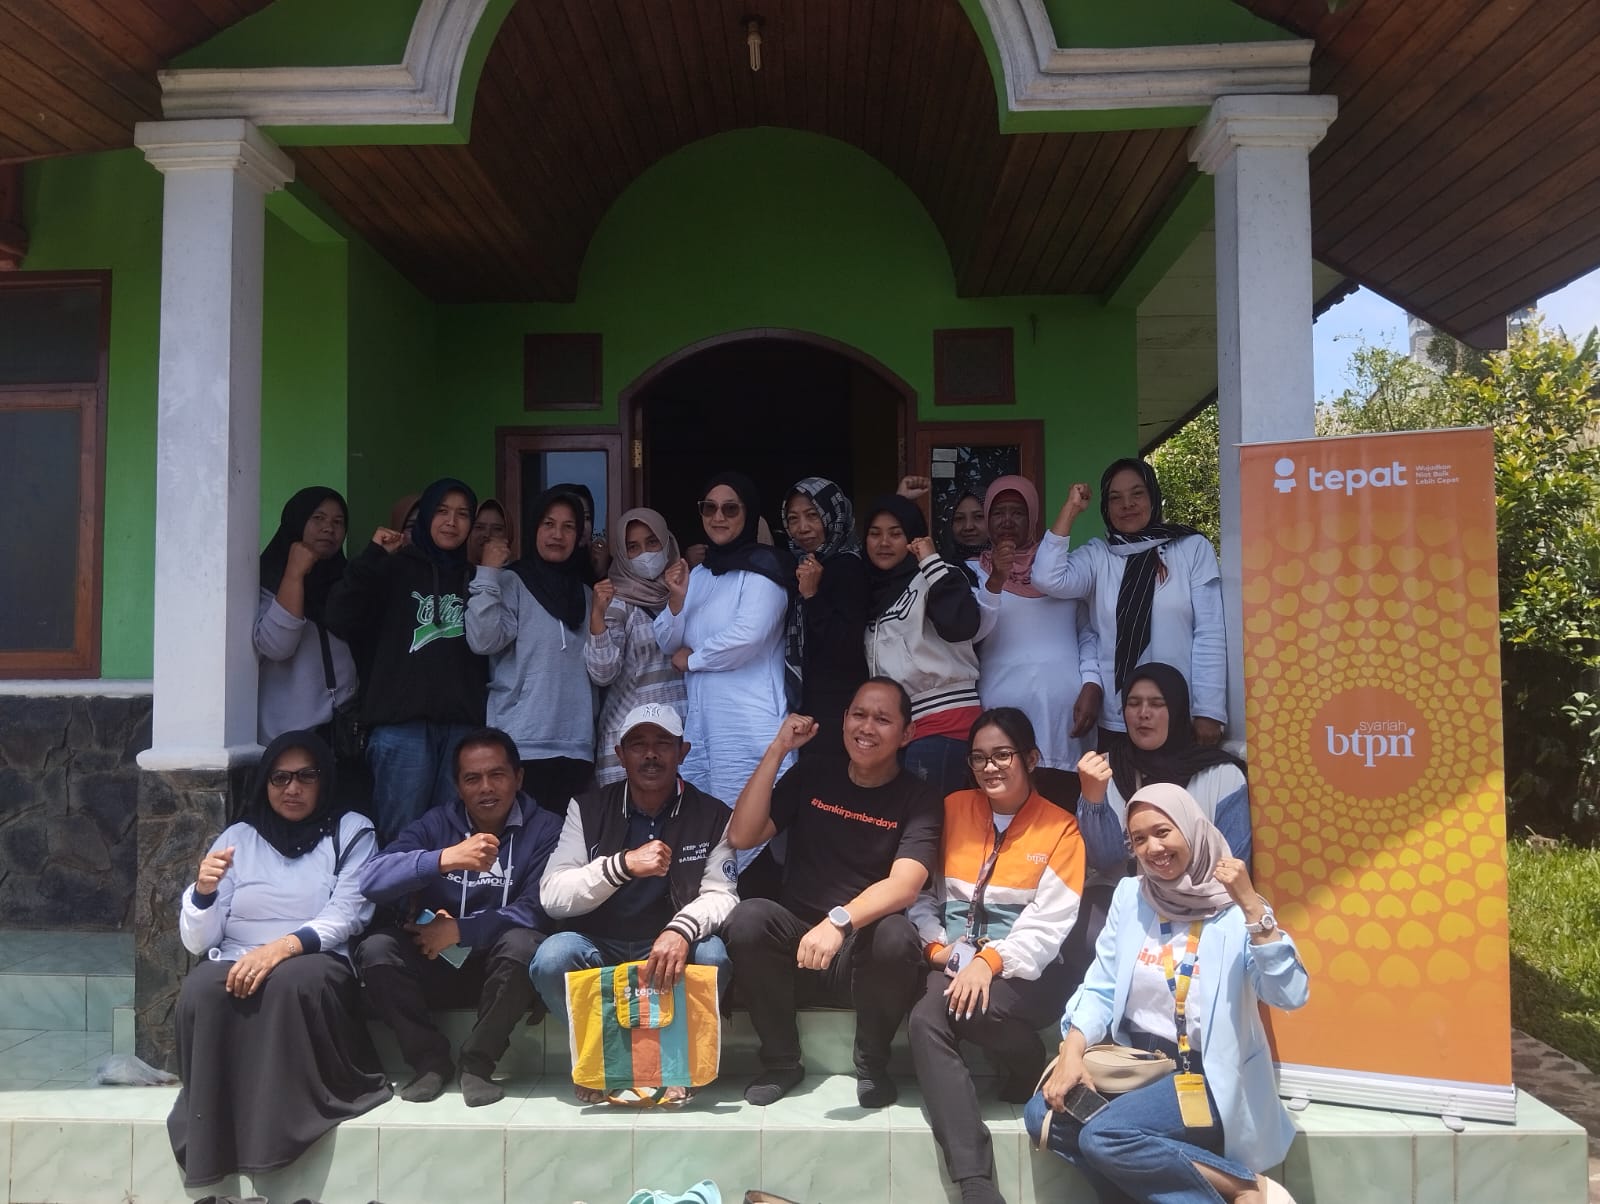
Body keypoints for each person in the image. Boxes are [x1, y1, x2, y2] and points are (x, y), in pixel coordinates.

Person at [1025, 782, 1306, 1204]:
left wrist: (1253, 909)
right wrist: (1071, 1054)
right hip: (1139, 1068)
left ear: (1191, 828)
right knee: (1043, 1113)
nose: (1153, 848)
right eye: (1139, 839)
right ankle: (1231, 1187)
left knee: (1105, 1136)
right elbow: (1101, 984)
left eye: (1163, 832)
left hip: (1208, 1078)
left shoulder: (1237, 911)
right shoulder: (1131, 896)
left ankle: (1246, 1189)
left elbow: (1289, 993)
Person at [168, 732, 387, 1188]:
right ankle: (212, 1142)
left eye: (306, 776)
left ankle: (277, 1142)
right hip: (238, 955)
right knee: (202, 988)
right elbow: (198, 941)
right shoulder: (238, 837)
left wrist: (279, 949)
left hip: (314, 956)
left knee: (292, 983)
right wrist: (203, 894)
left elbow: (347, 913)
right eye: (280, 778)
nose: (292, 788)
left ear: (325, 780)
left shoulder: (352, 831)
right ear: (265, 783)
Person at [723, 678, 941, 1108]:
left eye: (883, 719)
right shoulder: (814, 773)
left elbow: (905, 885)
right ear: (844, 721)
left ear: (907, 734)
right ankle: (782, 1062)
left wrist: (838, 922)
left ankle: (872, 1066)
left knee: (897, 935)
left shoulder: (919, 798)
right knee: (748, 918)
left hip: (860, 961)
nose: (867, 727)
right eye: (859, 715)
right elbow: (742, 835)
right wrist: (778, 750)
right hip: (798, 952)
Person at [908, 708, 1087, 1204]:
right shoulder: (951, 809)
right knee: (926, 1019)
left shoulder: (1061, 828)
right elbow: (920, 892)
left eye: (1003, 755)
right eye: (979, 758)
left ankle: (1026, 1057)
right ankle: (975, 1181)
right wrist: (937, 947)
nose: (990, 768)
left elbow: (1049, 926)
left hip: (1030, 972)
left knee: (963, 1008)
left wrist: (989, 963)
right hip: (954, 960)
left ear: (1030, 758)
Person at [531, 702, 738, 1102]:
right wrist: (622, 865)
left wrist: (681, 931)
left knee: (713, 957)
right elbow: (553, 895)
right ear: (620, 754)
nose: (650, 754)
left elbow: (723, 895)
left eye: (663, 743)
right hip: (601, 945)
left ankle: (677, 1064)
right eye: (638, 744)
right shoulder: (587, 808)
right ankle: (605, 1060)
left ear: (683, 752)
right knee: (553, 957)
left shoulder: (713, 815)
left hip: (669, 947)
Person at [354, 727, 562, 1107]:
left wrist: (460, 930)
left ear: (518, 777)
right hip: (437, 958)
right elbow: (370, 880)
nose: (486, 787)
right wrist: (444, 859)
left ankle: (477, 1063)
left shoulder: (545, 827)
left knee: (526, 944)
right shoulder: (437, 824)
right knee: (377, 949)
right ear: (457, 786)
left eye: (497, 774)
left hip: (502, 969)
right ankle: (429, 1061)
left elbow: (538, 909)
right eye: (472, 778)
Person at [325, 477, 488, 843]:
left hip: (461, 728)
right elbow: (339, 615)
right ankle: (394, 886)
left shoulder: (475, 578)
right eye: (442, 511)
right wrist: (372, 556)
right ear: (426, 515)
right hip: (401, 729)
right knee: (401, 837)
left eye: (463, 514)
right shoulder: (393, 569)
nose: (451, 522)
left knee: (452, 836)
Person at [1034, 458, 1227, 746]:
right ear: (1105, 507)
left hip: (1178, 713)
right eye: (1115, 498)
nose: (1127, 504)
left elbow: (1209, 632)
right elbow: (1046, 578)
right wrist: (1071, 509)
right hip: (1117, 716)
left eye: (1137, 494)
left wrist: (1208, 710)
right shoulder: (1099, 556)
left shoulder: (1191, 549)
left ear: (1153, 497)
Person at [655, 471, 795, 811]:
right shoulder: (700, 574)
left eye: (730, 509)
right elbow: (667, 642)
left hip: (749, 723)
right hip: (703, 725)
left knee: (750, 823)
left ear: (749, 514)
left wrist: (694, 660)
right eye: (709, 507)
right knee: (706, 823)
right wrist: (676, 601)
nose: (718, 517)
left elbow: (748, 636)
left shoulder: (765, 570)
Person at [466, 486, 596, 814]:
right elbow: (483, 640)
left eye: (568, 526)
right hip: (521, 742)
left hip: (576, 744)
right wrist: (488, 574)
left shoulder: (587, 595)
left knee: (568, 842)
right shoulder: (512, 582)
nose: (557, 535)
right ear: (534, 528)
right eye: (548, 524)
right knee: (519, 837)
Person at [862, 494, 993, 797]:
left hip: (945, 721)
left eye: (896, 533)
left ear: (914, 538)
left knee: (926, 819)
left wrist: (930, 562)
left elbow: (960, 625)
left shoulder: (941, 575)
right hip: (899, 727)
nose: (884, 543)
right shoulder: (874, 591)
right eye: (875, 533)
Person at [970, 475, 1102, 774]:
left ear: (1032, 518)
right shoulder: (972, 573)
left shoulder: (1062, 571)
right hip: (1001, 719)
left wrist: (1092, 684)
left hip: (1066, 718)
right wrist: (996, 580)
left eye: (1018, 512)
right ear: (987, 519)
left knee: (1063, 800)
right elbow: (974, 633)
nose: (1007, 520)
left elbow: (1087, 634)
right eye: (998, 512)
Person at [585, 507, 688, 786]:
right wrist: (597, 616)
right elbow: (602, 673)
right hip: (630, 745)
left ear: (667, 542)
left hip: (681, 742)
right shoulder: (618, 603)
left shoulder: (690, 593)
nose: (645, 554)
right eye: (633, 547)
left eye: (652, 542)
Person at [254, 486, 357, 745]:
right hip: (287, 737)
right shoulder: (266, 580)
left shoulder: (347, 581)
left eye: (338, 522)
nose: (329, 528)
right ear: (297, 521)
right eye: (318, 518)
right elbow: (277, 647)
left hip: (342, 733)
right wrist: (294, 574)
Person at [782, 476, 869, 760]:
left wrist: (812, 595)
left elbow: (845, 644)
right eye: (793, 519)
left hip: (838, 707)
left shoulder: (848, 568)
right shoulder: (802, 565)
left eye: (812, 515)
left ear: (833, 516)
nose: (802, 528)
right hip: (813, 705)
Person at [942, 486, 990, 563]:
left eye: (978, 516)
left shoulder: (1009, 565)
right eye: (959, 518)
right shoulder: (940, 567)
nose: (968, 527)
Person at [468, 498, 513, 565]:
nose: (487, 534)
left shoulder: (518, 571)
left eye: (497, 529)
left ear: (508, 534)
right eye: (479, 527)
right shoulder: (454, 569)